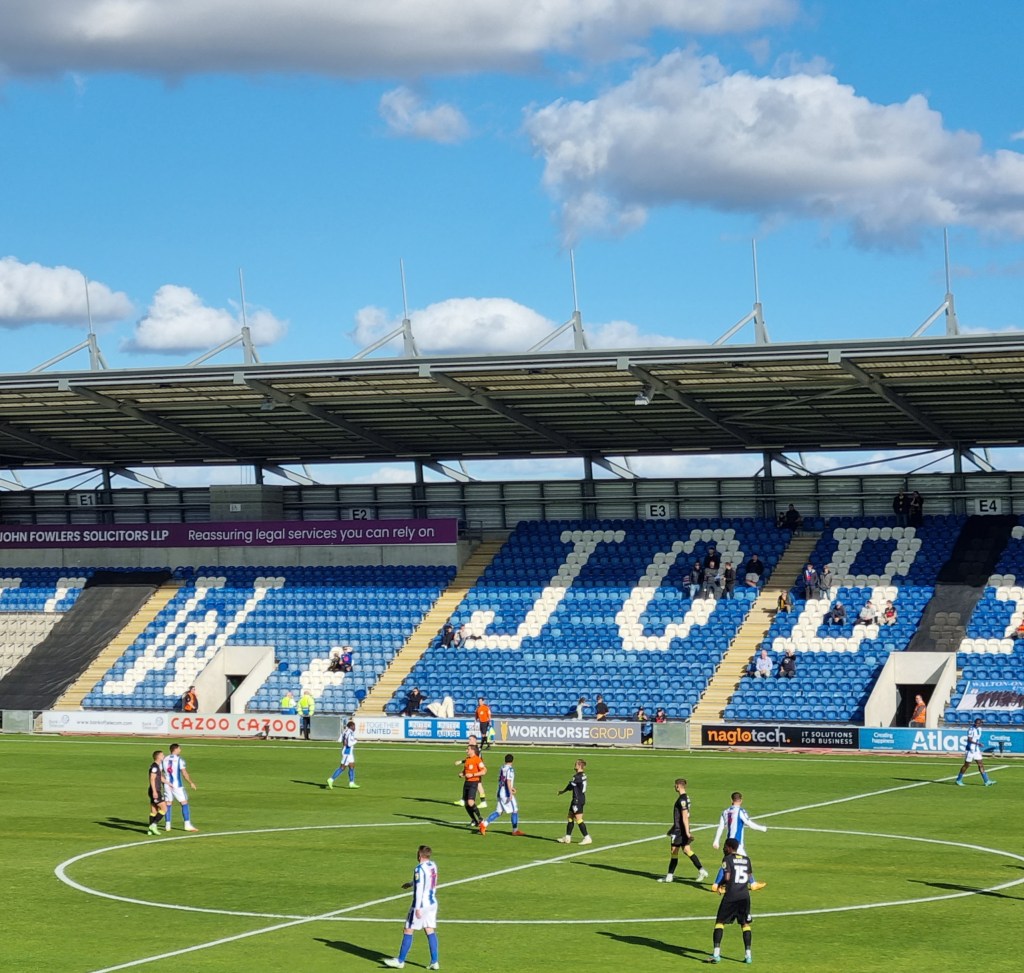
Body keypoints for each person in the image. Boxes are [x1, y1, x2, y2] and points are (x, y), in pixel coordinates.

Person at [704, 837, 766, 965]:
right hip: (744, 896)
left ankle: (716, 954)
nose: (723, 848)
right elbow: (749, 877)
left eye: (725, 846)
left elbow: (727, 877)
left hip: (731, 896)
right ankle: (748, 956)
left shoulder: (727, 859)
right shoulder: (746, 859)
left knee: (720, 922)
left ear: (729, 847)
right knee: (745, 924)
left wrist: (720, 885)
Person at [383, 845, 440, 970]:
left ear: (419, 855)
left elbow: (419, 889)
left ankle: (400, 961)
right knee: (429, 929)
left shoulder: (419, 869)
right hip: (432, 903)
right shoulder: (433, 865)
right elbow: (427, 881)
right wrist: (410, 883)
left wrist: (418, 908)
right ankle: (434, 961)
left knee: (408, 929)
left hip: (421, 904)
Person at [658, 778, 708, 883]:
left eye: (675, 785)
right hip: (680, 829)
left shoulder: (682, 799)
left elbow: (685, 816)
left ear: (677, 786)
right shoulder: (686, 798)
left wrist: (687, 832)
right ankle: (701, 870)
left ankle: (669, 876)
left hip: (679, 831)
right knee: (687, 850)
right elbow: (681, 817)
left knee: (674, 851)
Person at [481, 753, 524, 836]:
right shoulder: (510, 769)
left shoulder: (502, 767)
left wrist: (511, 787)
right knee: (515, 810)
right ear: (512, 761)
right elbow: (508, 781)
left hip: (500, 791)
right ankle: (515, 830)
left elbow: (503, 780)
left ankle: (484, 825)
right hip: (506, 793)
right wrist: (510, 793)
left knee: (499, 812)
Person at [713, 792, 767, 856]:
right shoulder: (740, 811)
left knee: (730, 861)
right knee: (745, 861)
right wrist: (762, 828)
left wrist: (716, 841)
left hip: (728, 843)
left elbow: (721, 827)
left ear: (731, 800)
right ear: (741, 800)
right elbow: (749, 824)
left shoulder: (725, 812)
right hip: (736, 842)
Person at [162, 743, 198, 832]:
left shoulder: (164, 759)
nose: (180, 750)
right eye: (179, 748)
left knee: (168, 803)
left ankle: (167, 825)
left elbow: (160, 772)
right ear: (176, 749)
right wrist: (191, 782)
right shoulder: (179, 760)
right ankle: (187, 824)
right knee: (184, 802)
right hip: (177, 785)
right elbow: (184, 773)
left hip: (167, 784)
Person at [556, 758, 590, 845]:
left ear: (579, 766)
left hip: (577, 800)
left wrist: (563, 791)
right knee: (570, 816)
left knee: (578, 819)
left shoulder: (577, 777)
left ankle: (587, 837)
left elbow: (570, 786)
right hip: (580, 798)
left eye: (576, 764)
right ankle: (567, 837)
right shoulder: (583, 775)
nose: (574, 765)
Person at [955, 717, 995, 787]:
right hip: (970, 749)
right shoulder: (971, 729)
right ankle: (958, 780)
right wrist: (978, 744)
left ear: (981, 724)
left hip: (976, 749)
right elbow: (969, 739)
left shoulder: (980, 729)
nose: (977, 724)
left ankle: (986, 781)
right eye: (976, 723)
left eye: (978, 723)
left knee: (980, 764)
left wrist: (977, 744)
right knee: (966, 765)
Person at [453, 733, 487, 808]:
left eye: (470, 739)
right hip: (474, 768)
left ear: (474, 740)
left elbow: (475, 759)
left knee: (478, 785)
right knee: (477, 784)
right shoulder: (473, 748)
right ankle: (464, 800)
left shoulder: (477, 749)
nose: (469, 741)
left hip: (476, 769)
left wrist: (461, 761)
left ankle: (482, 802)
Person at [459, 744, 487, 830]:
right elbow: (466, 771)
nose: (466, 751)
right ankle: (474, 820)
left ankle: (480, 818)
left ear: (472, 750)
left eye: (468, 749)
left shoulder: (477, 759)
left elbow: (484, 771)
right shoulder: (467, 759)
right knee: (466, 803)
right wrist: (462, 774)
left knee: (471, 802)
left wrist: (473, 774)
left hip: (474, 782)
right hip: (466, 783)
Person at [327, 720, 359, 789]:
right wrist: (355, 741)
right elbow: (349, 744)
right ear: (351, 726)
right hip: (347, 752)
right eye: (354, 726)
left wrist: (345, 741)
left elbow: (339, 740)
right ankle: (331, 779)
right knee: (342, 768)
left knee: (352, 766)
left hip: (348, 752)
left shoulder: (345, 731)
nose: (355, 728)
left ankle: (351, 783)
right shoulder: (350, 733)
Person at [146, 749, 167, 836]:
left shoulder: (157, 766)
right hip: (155, 791)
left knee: (154, 810)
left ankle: (150, 830)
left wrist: (168, 783)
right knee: (164, 808)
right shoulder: (154, 767)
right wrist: (154, 791)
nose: (164, 756)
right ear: (158, 757)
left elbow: (160, 777)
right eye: (162, 755)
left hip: (154, 790)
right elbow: (152, 779)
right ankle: (153, 825)